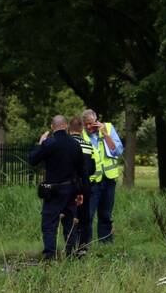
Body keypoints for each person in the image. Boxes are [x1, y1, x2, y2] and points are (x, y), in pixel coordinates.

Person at [29, 115, 88, 260]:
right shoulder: (75, 144)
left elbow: (33, 160)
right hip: (71, 190)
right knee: (70, 224)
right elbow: (82, 170)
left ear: (52, 127)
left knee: (49, 224)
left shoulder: (50, 143)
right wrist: (81, 192)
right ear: (66, 125)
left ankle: (49, 256)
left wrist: (40, 143)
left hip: (53, 191)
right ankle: (71, 254)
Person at [82, 109, 124, 244]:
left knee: (105, 214)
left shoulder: (109, 128)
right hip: (92, 181)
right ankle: (85, 243)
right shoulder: (82, 135)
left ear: (96, 121)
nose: (89, 127)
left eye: (91, 124)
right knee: (88, 214)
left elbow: (117, 151)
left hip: (109, 179)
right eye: (86, 124)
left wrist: (105, 134)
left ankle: (105, 242)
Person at [68, 116, 94, 253]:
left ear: (69, 129)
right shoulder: (88, 145)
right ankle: (82, 247)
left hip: (69, 185)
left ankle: (70, 246)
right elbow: (91, 168)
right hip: (85, 186)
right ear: (82, 129)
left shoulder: (67, 144)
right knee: (84, 217)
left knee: (70, 217)